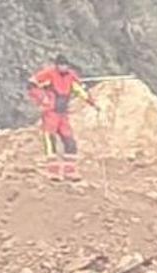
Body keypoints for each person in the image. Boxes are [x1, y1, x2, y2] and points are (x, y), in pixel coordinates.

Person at [27, 54, 98, 182]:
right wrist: (43, 98)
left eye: (65, 65)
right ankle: (52, 171)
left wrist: (92, 103)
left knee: (69, 140)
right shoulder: (48, 74)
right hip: (51, 112)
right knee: (50, 138)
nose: (63, 67)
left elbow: (80, 91)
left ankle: (69, 171)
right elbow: (32, 85)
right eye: (60, 65)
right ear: (56, 65)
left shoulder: (71, 77)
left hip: (63, 114)